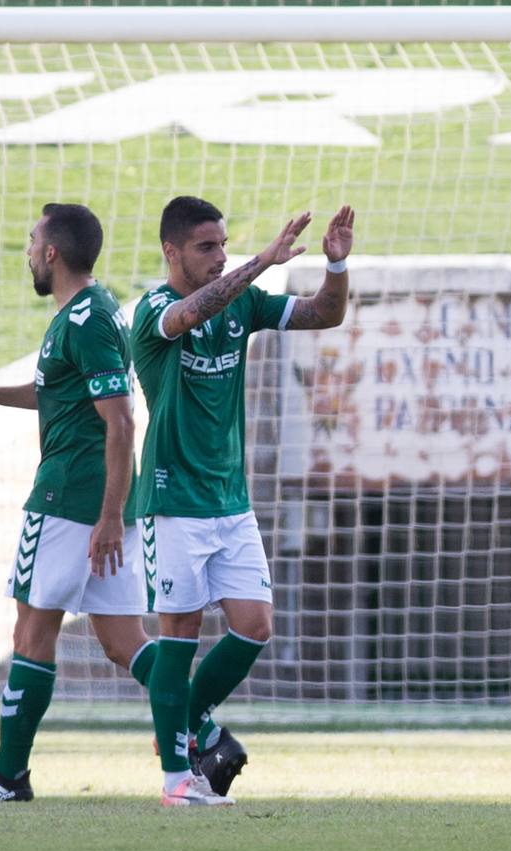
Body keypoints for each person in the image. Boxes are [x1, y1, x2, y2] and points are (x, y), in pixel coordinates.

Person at [133, 197, 355, 807]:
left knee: (255, 626)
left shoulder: (243, 304)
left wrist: (335, 268)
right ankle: (179, 781)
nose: (219, 255)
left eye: (223, 245)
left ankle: (182, 723)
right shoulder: (153, 309)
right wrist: (260, 261)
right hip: (173, 496)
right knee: (178, 633)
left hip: (230, 502)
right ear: (171, 251)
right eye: (206, 247)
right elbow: (186, 315)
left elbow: (323, 317)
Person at [0, 203, 156, 802]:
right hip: (104, 503)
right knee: (121, 641)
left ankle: (8, 776)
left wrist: (108, 516)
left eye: (33, 240)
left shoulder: (83, 321)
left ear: (51, 253)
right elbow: (57, 391)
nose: (29, 250)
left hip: (67, 500)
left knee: (31, 632)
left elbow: (121, 420)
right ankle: (204, 735)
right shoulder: (91, 311)